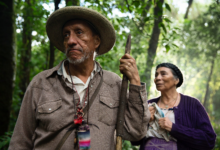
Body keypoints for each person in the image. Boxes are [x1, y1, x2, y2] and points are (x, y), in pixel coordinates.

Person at [9, 6, 151, 150]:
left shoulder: (113, 83)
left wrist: (135, 82)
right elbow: (20, 142)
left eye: (79, 32)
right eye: (66, 35)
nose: (71, 40)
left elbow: (136, 132)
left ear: (96, 41)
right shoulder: (41, 83)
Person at [132, 63, 216, 150]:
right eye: (156, 75)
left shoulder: (192, 104)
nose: (157, 78)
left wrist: (173, 128)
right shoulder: (148, 104)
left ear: (176, 80)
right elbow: (134, 141)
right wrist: (145, 121)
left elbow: (209, 140)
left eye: (163, 74)